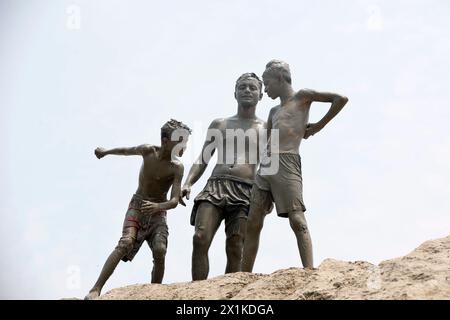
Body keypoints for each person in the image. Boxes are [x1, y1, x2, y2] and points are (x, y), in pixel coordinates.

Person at [241, 60, 348, 272]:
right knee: (253, 221)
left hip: (288, 161)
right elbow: (267, 140)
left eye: (267, 83)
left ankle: (309, 270)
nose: (266, 88)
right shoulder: (273, 111)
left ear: (279, 79)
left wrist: (318, 126)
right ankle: (243, 274)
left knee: (297, 219)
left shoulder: (302, 96)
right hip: (267, 166)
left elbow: (340, 99)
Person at [85, 119, 191, 299]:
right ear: (165, 141)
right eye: (179, 141)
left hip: (158, 212)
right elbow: (126, 151)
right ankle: (96, 288)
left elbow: (173, 201)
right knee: (125, 242)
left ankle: (155, 292)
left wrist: (158, 206)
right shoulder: (148, 151)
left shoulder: (177, 167)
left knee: (160, 249)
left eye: (185, 142)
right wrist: (106, 152)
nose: (184, 146)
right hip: (137, 206)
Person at [181, 73, 266, 280]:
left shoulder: (266, 128)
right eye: (243, 87)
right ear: (235, 93)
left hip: (247, 189)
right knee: (200, 237)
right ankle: (199, 292)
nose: (247, 90)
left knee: (236, 245)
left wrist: (268, 195)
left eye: (252, 88)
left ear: (261, 95)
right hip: (215, 186)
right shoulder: (220, 124)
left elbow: (269, 166)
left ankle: (230, 293)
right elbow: (203, 158)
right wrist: (188, 182)